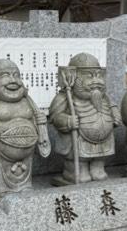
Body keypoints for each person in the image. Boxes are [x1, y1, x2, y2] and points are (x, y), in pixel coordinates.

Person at [0, 58, 51, 200]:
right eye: (5, 75)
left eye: (16, 75)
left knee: (25, 187)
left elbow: (35, 119)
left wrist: (40, 123)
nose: (13, 80)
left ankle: (23, 186)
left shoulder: (27, 101)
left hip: (26, 154)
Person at [49, 52, 122, 183]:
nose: (96, 81)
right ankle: (73, 171)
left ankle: (97, 169)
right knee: (82, 175)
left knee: (99, 171)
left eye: (98, 76)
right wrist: (67, 121)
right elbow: (54, 116)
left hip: (103, 139)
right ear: (73, 76)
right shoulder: (65, 97)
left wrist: (115, 115)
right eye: (89, 76)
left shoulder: (104, 97)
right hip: (77, 141)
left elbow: (113, 107)